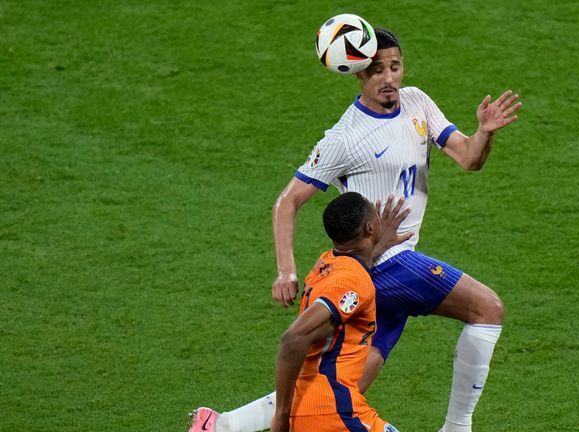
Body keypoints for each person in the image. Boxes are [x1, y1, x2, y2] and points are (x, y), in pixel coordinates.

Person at [190, 26, 521, 432]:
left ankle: (219, 426)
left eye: (395, 67)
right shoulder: (345, 138)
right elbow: (287, 202)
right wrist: (285, 271)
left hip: (389, 266)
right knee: (487, 308)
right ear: (357, 74)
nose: (388, 78)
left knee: (339, 388)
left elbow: (469, 159)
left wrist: (484, 134)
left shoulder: (417, 102)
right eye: (377, 70)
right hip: (383, 262)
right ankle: (458, 427)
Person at [190, 192, 411, 432]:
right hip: (334, 413)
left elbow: (353, 272)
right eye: (376, 216)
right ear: (370, 227)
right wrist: (280, 416)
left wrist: (377, 244)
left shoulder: (329, 262)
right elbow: (293, 338)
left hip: (313, 407)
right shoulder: (353, 281)